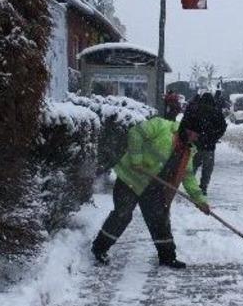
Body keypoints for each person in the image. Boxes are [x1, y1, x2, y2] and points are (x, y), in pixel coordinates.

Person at [90, 106, 224, 269]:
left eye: (198, 136)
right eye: (195, 133)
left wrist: (200, 200)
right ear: (187, 129)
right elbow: (135, 133)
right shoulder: (161, 126)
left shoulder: (187, 151)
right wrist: (136, 159)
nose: (196, 138)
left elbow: (188, 177)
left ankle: (167, 257)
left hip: (153, 188)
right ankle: (99, 248)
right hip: (130, 179)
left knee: (159, 220)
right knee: (123, 214)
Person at [191, 93, 227, 195]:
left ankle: (191, 186)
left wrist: (194, 138)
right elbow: (223, 127)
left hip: (196, 145)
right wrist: (215, 137)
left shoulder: (196, 111)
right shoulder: (216, 112)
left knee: (193, 166)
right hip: (209, 146)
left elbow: (189, 125)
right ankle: (203, 187)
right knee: (207, 168)